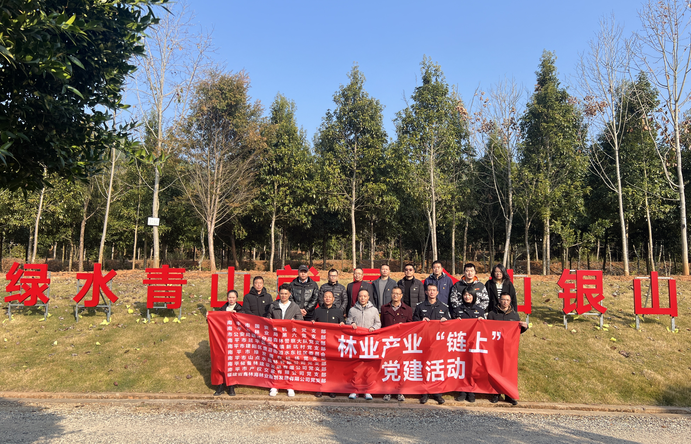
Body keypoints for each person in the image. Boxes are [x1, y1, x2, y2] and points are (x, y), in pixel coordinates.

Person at [487, 291, 529, 405]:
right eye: (503, 300)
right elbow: (487, 330)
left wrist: (524, 327)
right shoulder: (492, 314)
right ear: (499, 300)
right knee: (495, 370)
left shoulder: (514, 315)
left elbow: (516, 332)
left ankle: (508, 395)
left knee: (508, 371)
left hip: (509, 348)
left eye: (507, 300)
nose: (505, 302)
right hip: (495, 347)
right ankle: (496, 394)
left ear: (510, 302)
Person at [413, 284, 450, 405]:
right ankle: (424, 393)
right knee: (425, 367)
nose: (432, 292)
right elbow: (413, 322)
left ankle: (437, 393)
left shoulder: (444, 307)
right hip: (424, 342)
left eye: (434, 290)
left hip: (439, 344)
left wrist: (446, 322)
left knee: (437, 367)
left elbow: (451, 325)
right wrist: (421, 322)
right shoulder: (420, 307)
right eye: (430, 290)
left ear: (437, 292)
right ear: (426, 292)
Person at [267, 283, 304, 398]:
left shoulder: (294, 306)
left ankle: (289, 386)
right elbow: (267, 318)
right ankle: (275, 385)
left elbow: (300, 321)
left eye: (285, 294)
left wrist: (294, 322)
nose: (283, 296)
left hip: (289, 339)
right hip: (276, 339)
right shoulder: (273, 305)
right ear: (279, 294)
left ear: (290, 294)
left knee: (289, 363)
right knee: (276, 362)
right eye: (281, 293)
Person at [346, 289, 381, 400]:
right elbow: (348, 321)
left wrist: (373, 328)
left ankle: (367, 390)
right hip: (356, 342)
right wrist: (351, 323)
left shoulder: (374, 310)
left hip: (369, 343)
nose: (363, 298)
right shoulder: (352, 310)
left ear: (368, 297)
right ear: (358, 297)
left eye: (365, 296)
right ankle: (354, 390)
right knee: (355, 367)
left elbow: (378, 323)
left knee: (367, 368)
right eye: (361, 296)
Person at [380, 286, 412, 402]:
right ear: (391, 295)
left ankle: (400, 391)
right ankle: (387, 391)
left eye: (398, 294)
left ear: (401, 295)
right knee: (388, 367)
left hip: (401, 344)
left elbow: (411, 327)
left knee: (400, 367)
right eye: (394, 293)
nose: (395, 296)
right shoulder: (384, 308)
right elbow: (382, 325)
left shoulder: (408, 309)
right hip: (388, 343)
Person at [453, 289, 485, 403]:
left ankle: (471, 391)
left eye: (470, 294)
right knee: (462, 367)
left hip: (474, 344)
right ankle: (462, 391)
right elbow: (450, 327)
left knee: (473, 367)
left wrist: (482, 321)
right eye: (465, 294)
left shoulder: (480, 310)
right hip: (461, 343)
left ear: (474, 296)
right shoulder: (457, 310)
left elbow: (485, 329)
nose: (467, 296)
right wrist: (455, 321)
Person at [312, 290, 345, 398]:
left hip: (333, 345)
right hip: (320, 344)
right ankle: (319, 389)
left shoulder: (338, 311)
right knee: (320, 367)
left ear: (333, 299)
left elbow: (343, 324)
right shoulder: (317, 311)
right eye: (326, 297)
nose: (327, 298)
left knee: (332, 368)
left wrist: (342, 323)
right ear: (323, 298)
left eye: (330, 297)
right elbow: (312, 325)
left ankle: (332, 389)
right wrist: (312, 323)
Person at [210, 290, 243, 396]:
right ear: (227, 298)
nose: (231, 299)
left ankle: (231, 386)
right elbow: (215, 320)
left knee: (231, 363)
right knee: (220, 362)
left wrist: (237, 315)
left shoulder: (241, 309)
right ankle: (220, 386)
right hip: (222, 340)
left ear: (236, 298)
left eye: (233, 297)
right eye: (229, 297)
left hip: (234, 341)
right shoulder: (222, 309)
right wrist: (209, 316)